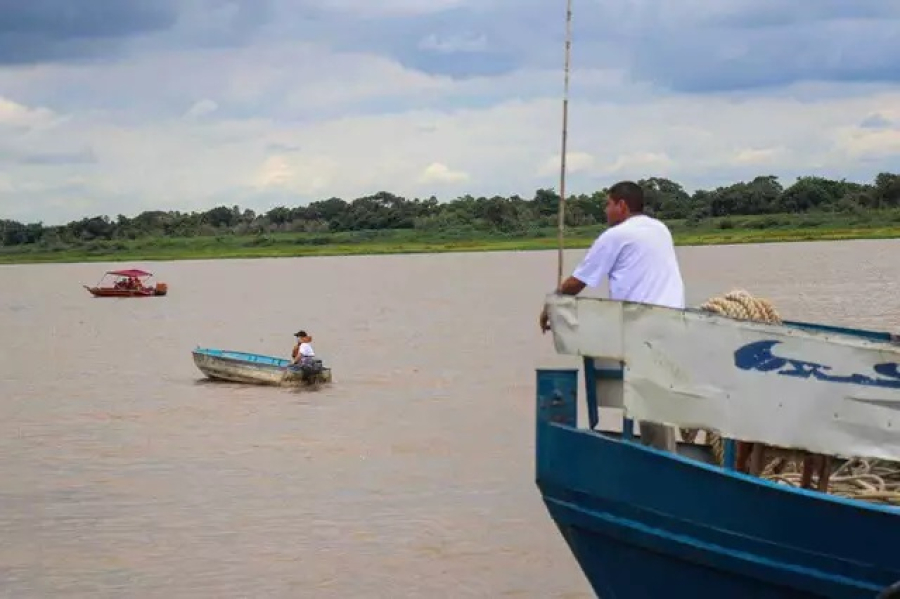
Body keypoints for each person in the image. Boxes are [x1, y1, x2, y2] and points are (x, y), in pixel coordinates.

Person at [539, 180, 685, 452]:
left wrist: (551, 304)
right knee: (654, 399)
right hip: (673, 325)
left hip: (643, 326)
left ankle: (662, 460)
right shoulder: (660, 229)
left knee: (647, 401)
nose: (605, 210)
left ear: (622, 205)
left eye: (607, 204)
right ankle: (658, 452)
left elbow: (577, 283)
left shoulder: (616, 235)